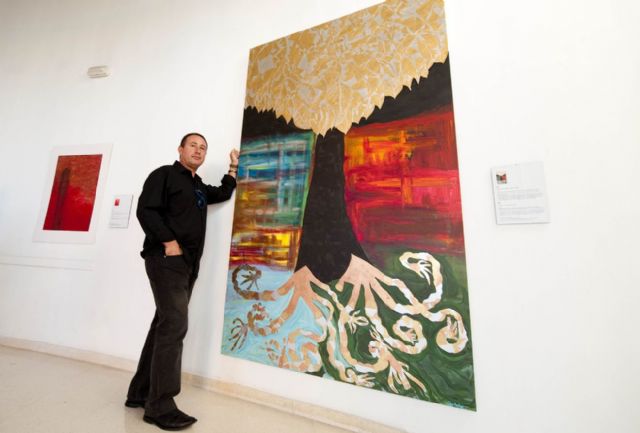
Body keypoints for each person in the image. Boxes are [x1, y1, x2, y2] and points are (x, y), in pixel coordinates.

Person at [125, 132, 238, 430]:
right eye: (193, 146)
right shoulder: (164, 175)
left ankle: (139, 393)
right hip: (165, 260)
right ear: (180, 149)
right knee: (174, 325)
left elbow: (222, 193)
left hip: (187, 266)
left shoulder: (197, 186)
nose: (198, 151)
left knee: (163, 324)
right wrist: (169, 242)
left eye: (203, 148)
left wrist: (233, 168)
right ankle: (160, 407)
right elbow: (146, 210)